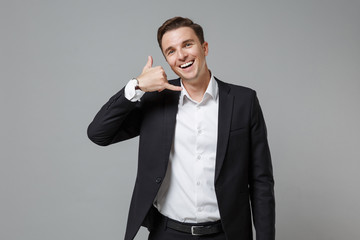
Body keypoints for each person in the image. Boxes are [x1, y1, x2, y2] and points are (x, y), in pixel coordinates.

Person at [87, 16, 275, 240]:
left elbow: (261, 180)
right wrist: (136, 85)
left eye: (187, 44)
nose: (182, 55)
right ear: (167, 60)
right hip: (168, 233)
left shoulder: (244, 101)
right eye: (171, 51)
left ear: (204, 47)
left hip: (226, 234)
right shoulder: (155, 100)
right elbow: (98, 133)